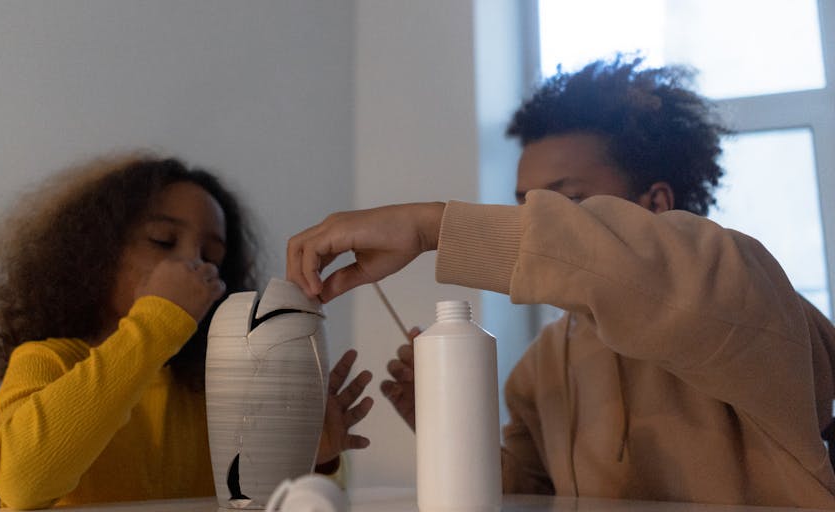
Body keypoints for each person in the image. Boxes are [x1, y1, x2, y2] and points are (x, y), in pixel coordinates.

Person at [286, 56, 835, 508]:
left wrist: (435, 227)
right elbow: (531, 495)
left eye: (566, 201)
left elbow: (661, 273)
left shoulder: (746, 291)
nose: (538, 220)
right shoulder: (544, 366)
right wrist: (450, 429)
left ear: (657, 203)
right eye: (525, 205)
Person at [0, 153, 373, 509]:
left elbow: (265, 501)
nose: (191, 261)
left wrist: (312, 458)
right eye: (163, 241)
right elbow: (23, 482)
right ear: (95, 253)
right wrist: (157, 320)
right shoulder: (48, 361)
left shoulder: (211, 389)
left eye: (212, 255)